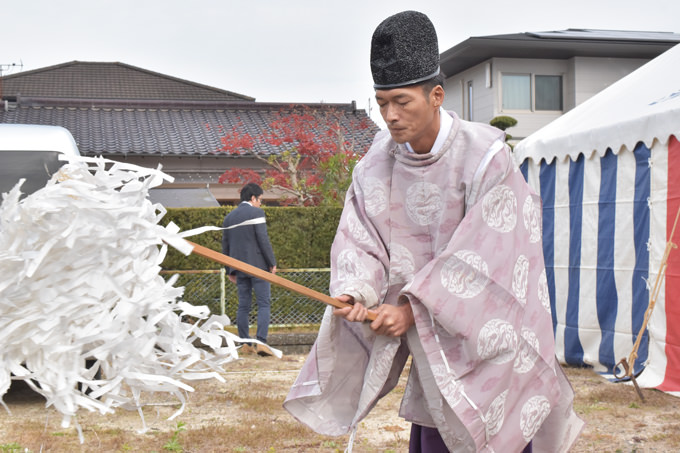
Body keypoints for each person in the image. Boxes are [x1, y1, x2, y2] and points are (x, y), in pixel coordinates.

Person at [284, 10, 583, 452]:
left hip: (488, 341)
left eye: (402, 101)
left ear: (436, 95)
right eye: (381, 102)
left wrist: (411, 310)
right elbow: (360, 237)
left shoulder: (486, 159)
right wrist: (356, 290)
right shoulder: (375, 166)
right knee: (437, 432)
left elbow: (488, 259)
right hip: (433, 345)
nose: (390, 115)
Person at [222, 182, 277, 357]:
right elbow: (263, 239)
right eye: (260, 199)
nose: (261, 203)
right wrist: (272, 262)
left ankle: (245, 343)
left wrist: (228, 269)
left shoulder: (229, 217)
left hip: (238, 267)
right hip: (258, 266)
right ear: (253, 198)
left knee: (243, 305)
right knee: (263, 304)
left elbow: (226, 245)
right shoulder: (256, 212)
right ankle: (261, 342)